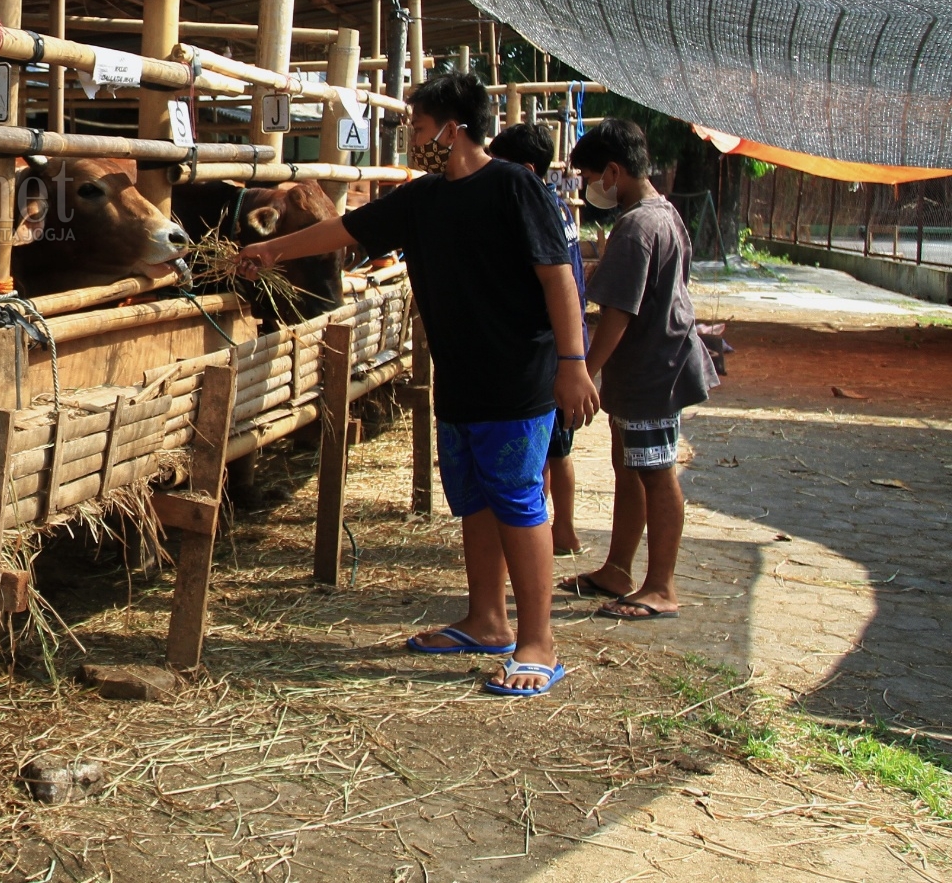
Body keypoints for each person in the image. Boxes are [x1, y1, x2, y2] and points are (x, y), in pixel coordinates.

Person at [235, 72, 596, 696]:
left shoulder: (516, 188)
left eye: (419, 127)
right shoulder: (424, 199)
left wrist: (574, 363)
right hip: (461, 376)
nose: (413, 137)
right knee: (477, 500)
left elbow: (558, 278)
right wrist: (274, 252)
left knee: (516, 500)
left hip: (518, 376)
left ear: (452, 129)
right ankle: (487, 620)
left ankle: (539, 640)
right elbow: (347, 231)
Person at [561, 119, 716, 620]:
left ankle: (662, 587)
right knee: (630, 468)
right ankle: (618, 569)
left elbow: (618, 315)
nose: (589, 187)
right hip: (652, 365)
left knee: (655, 472)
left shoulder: (636, 227)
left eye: (589, 176)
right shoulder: (662, 213)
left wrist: (583, 372)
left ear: (613, 171)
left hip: (653, 370)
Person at [487, 122, 589, 556]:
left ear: (526, 169)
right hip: (562, 343)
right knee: (555, 447)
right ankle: (559, 529)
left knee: (546, 448)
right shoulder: (559, 207)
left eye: (502, 167)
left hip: (548, 348)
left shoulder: (530, 211)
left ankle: (550, 530)